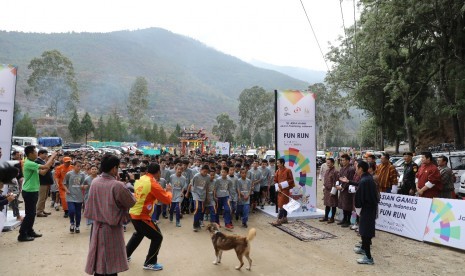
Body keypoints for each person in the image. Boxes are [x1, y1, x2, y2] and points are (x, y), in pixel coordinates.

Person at [85, 154, 136, 276]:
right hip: (111, 229)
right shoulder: (117, 185)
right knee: (110, 266)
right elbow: (131, 202)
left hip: (96, 227)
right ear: (114, 169)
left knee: (99, 263)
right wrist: (128, 184)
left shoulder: (95, 181)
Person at [126, 163, 173, 272]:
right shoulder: (152, 183)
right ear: (158, 172)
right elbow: (167, 200)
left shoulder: (142, 178)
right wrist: (169, 191)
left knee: (139, 234)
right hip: (141, 216)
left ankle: (125, 255)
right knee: (158, 237)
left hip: (134, 212)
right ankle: (150, 262)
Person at [18, 145, 57, 242]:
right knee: (29, 214)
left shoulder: (31, 163)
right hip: (29, 191)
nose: (36, 153)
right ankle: (22, 234)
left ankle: (30, 231)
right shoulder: (29, 163)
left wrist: (50, 161)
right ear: (30, 153)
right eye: (35, 152)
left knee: (32, 213)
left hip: (33, 190)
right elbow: (45, 166)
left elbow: (43, 172)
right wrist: (52, 156)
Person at [354, 161, 379, 265]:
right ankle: (364, 248)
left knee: (365, 232)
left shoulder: (365, 181)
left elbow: (359, 198)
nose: (356, 169)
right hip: (370, 208)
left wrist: (358, 209)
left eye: (357, 167)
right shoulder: (368, 178)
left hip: (367, 209)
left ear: (360, 169)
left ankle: (368, 257)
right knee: (364, 230)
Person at [64, 160, 86, 233]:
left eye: (80, 166)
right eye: (78, 166)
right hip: (70, 195)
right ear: (74, 166)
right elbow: (64, 183)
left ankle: (77, 226)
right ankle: (72, 223)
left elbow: (83, 184)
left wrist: (83, 186)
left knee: (78, 212)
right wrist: (66, 190)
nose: (79, 168)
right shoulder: (69, 174)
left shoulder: (82, 175)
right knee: (71, 211)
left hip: (79, 196)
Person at [271, 158, 295, 226]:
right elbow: (275, 180)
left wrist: (281, 185)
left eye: (278, 163)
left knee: (282, 205)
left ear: (282, 163)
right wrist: (277, 187)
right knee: (283, 205)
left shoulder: (288, 170)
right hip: (279, 190)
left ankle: (279, 220)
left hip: (285, 190)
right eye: (277, 163)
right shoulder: (277, 171)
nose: (277, 164)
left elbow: (291, 180)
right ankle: (284, 218)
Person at [189, 165, 210, 232]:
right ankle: (195, 225)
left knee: (202, 209)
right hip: (196, 194)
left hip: (203, 194)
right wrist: (189, 193)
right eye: (204, 171)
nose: (205, 173)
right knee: (197, 208)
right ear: (201, 170)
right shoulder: (196, 176)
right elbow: (192, 185)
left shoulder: (208, 177)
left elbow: (207, 187)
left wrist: (207, 196)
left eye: (206, 172)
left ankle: (199, 221)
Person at [337, 154, 356, 228]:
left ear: (348, 161)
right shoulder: (342, 168)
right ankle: (344, 219)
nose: (342, 161)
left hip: (347, 190)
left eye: (344, 160)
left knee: (347, 205)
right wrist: (338, 185)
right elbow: (339, 178)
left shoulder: (351, 169)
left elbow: (350, 180)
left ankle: (348, 220)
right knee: (343, 205)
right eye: (341, 160)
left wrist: (342, 187)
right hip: (341, 189)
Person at [319, 158, 339, 224]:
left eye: (329, 163)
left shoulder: (335, 171)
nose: (327, 164)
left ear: (332, 163)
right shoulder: (327, 171)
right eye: (327, 163)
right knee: (327, 204)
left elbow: (336, 182)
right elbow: (325, 179)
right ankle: (326, 217)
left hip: (332, 190)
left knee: (333, 205)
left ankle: (332, 218)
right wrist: (324, 187)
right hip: (327, 190)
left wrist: (333, 191)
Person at [36, 149, 54, 218]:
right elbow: (42, 172)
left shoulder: (43, 161)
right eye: (45, 154)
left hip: (46, 182)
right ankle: (39, 211)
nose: (46, 156)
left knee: (45, 197)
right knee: (42, 197)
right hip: (42, 182)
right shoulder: (37, 161)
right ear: (40, 154)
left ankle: (42, 209)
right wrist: (48, 165)